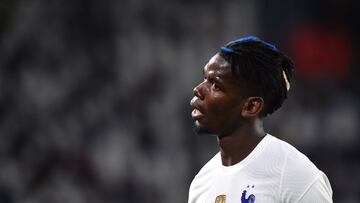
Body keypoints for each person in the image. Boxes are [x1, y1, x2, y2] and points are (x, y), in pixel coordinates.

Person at [188, 36, 333, 203]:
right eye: (205, 78)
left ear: (251, 106)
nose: (198, 89)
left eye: (215, 85)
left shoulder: (296, 177)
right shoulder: (202, 183)